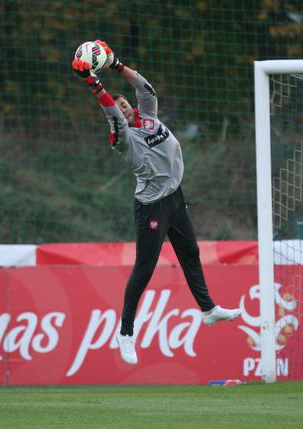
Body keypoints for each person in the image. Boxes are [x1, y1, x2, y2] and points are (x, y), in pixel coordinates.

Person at [72, 41, 241, 365]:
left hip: (174, 197)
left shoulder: (147, 117)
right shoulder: (122, 138)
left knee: (190, 253)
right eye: (117, 106)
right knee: (145, 268)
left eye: (124, 103)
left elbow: (147, 90)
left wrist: (117, 64)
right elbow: (112, 114)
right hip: (151, 206)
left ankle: (207, 310)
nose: (121, 107)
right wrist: (95, 84)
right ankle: (125, 333)